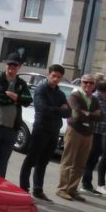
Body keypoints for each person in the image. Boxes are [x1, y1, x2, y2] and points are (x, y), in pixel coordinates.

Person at [19, 64, 69, 201]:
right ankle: (23, 188)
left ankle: (38, 190)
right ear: (49, 74)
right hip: (41, 129)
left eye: (59, 77)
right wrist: (59, 109)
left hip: (54, 131)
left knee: (43, 162)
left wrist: (57, 109)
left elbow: (68, 112)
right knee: (31, 159)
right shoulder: (41, 89)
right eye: (54, 76)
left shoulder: (60, 93)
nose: (56, 79)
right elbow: (42, 109)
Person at [56, 75, 103, 202]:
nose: (88, 85)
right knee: (68, 160)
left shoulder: (94, 99)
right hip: (75, 130)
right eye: (85, 82)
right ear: (81, 83)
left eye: (91, 83)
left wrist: (87, 113)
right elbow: (76, 114)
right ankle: (62, 188)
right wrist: (92, 114)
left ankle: (72, 189)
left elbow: (101, 117)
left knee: (81, 163)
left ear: (94, 85)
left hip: (88, 133)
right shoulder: (75, 96)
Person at [82, 79, 106, 193]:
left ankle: (88, 183)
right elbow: (95, 115)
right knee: (90, 159)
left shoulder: (104, 99)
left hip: (100, 132)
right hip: (93, 132)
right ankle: (86, 184)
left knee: (94, 158)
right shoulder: (95, 98)